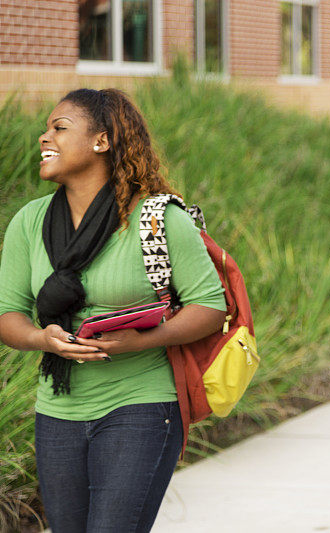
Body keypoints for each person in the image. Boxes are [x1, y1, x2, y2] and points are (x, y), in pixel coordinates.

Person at [0, 89, 227, 532]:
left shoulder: (157, 219)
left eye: (60, 128)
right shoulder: (29, 221)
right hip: (58, 409)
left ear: (101, 141)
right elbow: (8, 314)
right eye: (46, 128)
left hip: (141, 403)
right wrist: (40, 338)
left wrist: (142, 340)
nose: (44, 137)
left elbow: (210, 306)